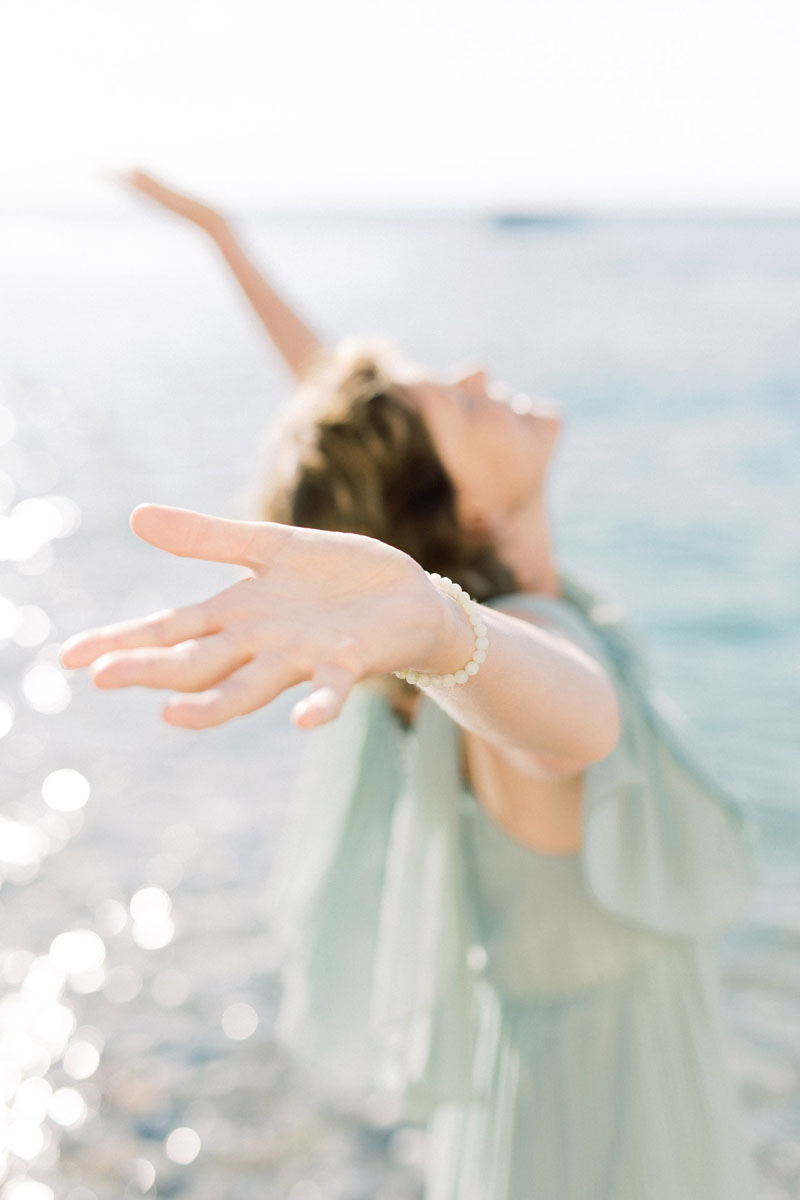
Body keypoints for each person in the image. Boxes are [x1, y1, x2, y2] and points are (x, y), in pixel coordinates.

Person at [60, 172, 762, 1199]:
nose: (479, 371)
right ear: (458, 520)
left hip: (557, 1096)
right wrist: (442, 630)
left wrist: (226, 237)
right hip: (603, 1143)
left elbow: (331, 392)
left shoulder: (489, 585)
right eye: (461, 402)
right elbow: (577, 726)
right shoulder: (518, 639)